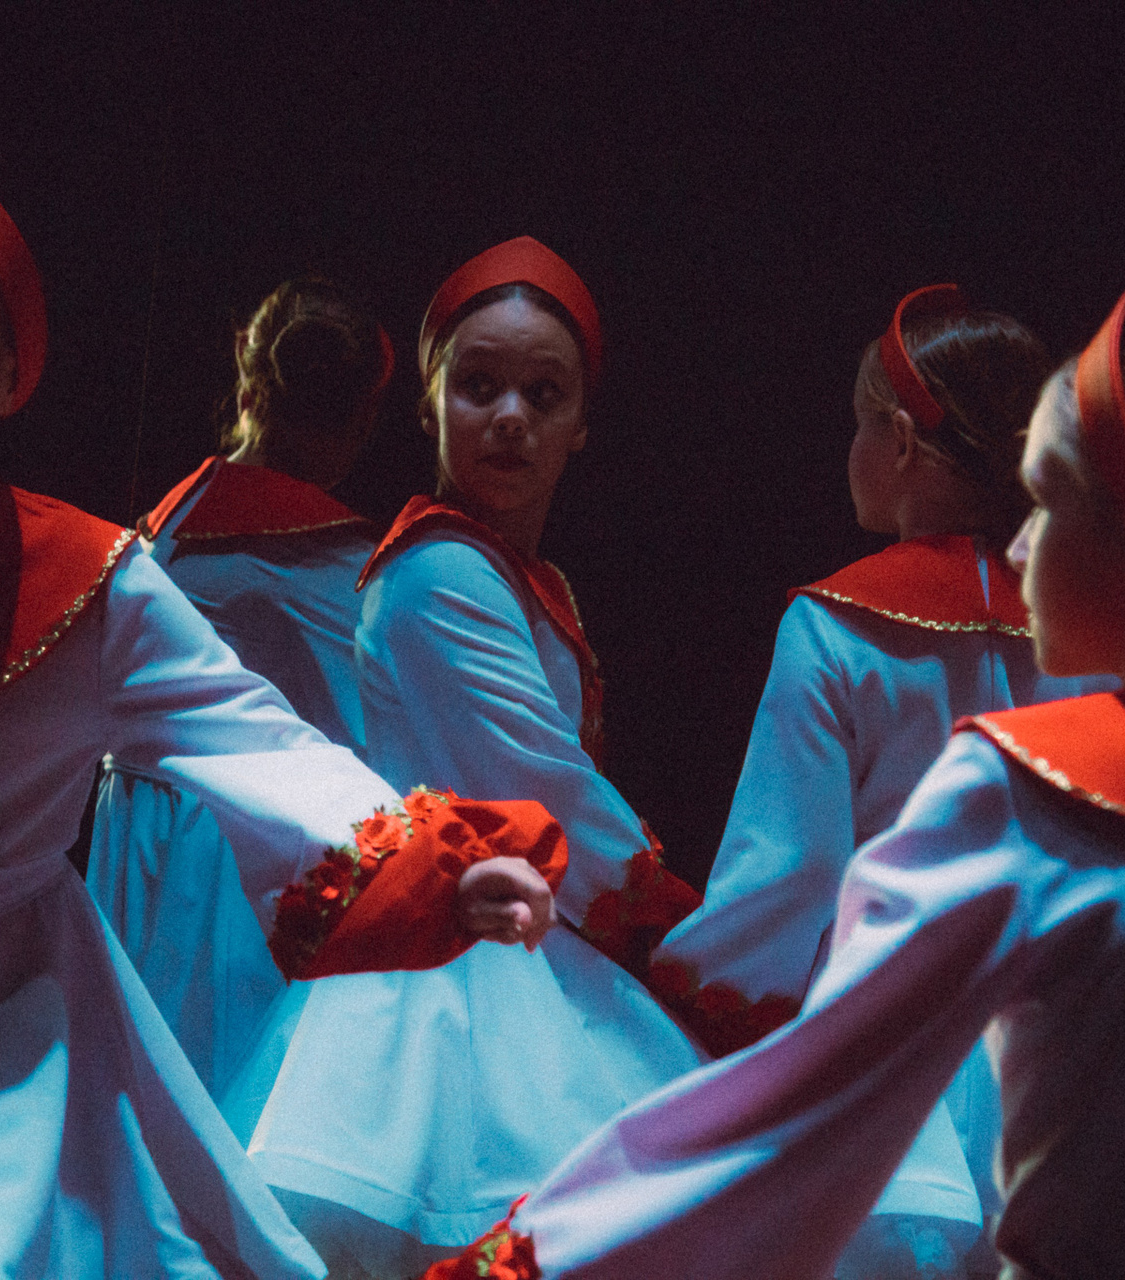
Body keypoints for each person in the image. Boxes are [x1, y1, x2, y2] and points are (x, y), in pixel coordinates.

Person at [424, 269, 1125, 1280]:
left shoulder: (1030, 798)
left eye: (1046, 500)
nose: (1016, 543)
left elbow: (793, 1116)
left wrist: (519, 1263)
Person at [0, 144, 565, 1280]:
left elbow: (259, 743)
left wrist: (440, 860)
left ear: (7, 369)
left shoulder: (86, 585)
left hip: (1, 1032)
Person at [221, 237, 707, 1279]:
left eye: (544, 394)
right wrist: (690, 936)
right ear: (429, 401)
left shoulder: (521, 574)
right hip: (464, 965)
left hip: (526, 936)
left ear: (582, 424)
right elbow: (547, 788)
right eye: (479, 386)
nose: (510, 417)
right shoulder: (440, 569)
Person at [647, 286, 1112, 1277]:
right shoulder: (1092, 623)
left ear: (899, 440)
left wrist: (682, 989)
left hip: (899, 1047)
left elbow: (789, 875)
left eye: (860, 424)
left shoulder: (835, 626)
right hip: (1072, 1031)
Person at [89, 276, 392, 1097]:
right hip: (236, 850)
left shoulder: (167, 525)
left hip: (138, 825)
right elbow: (377, 737)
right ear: (362, 422)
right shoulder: (340, 568)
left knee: (142, 1081)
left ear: (248, 380)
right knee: (222, 1090)